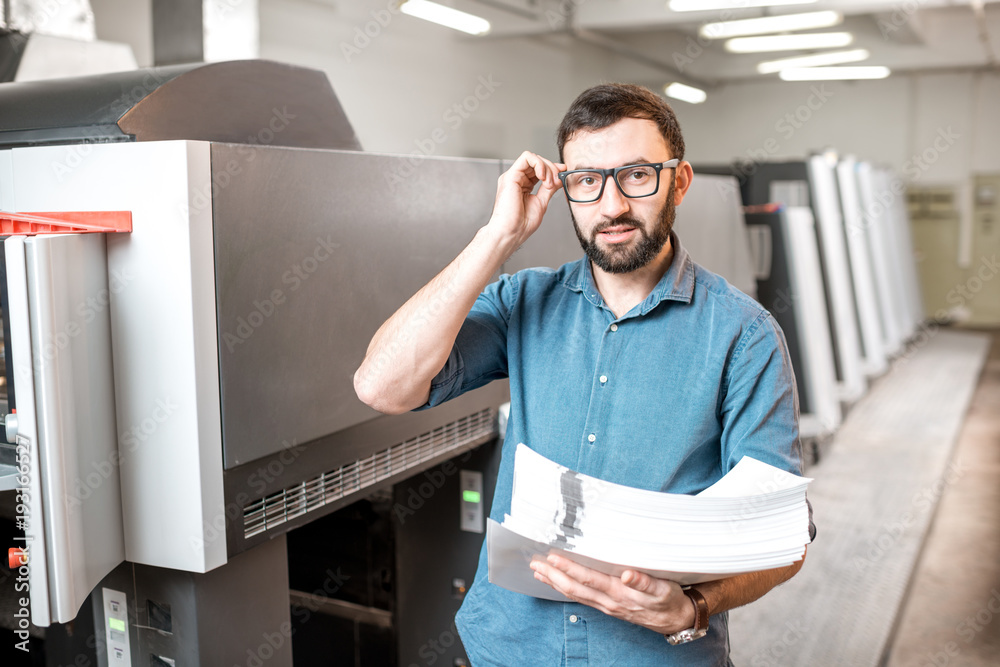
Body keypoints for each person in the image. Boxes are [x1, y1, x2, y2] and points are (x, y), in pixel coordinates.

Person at [355, 83, 809, 666]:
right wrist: (498, 237)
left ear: (680, 180)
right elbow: (380, 385)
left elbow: (782, 534)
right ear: (566, 187)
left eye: (638, 174)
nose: (612, 205)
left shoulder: (743, 336)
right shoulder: (525, 299)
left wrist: (691, 608)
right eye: (587, 180)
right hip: (508, 649)